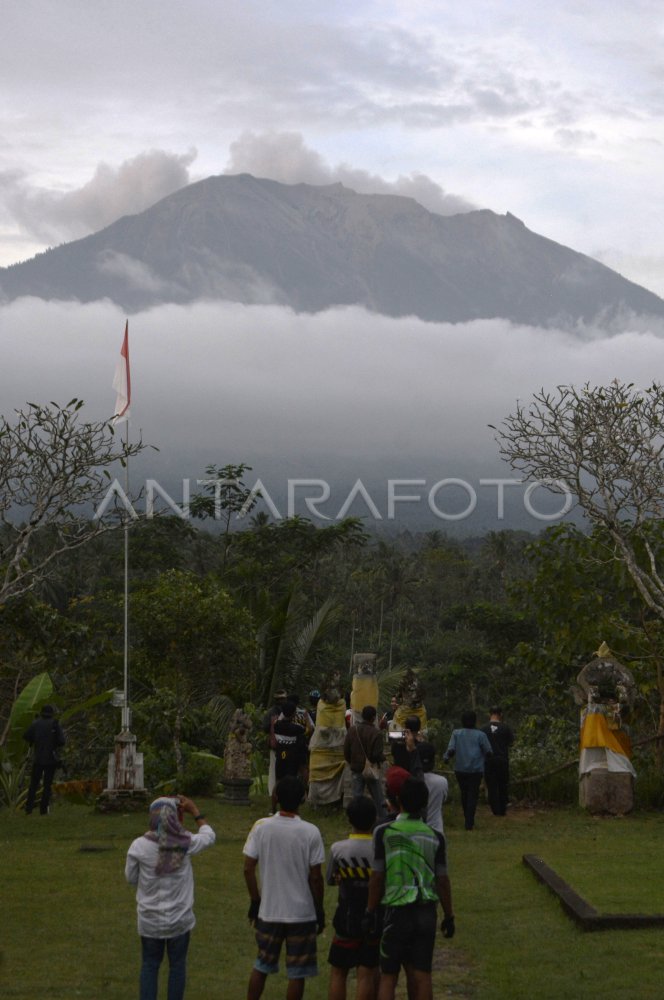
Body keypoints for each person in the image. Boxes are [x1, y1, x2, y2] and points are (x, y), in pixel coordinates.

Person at [366, 776, 455, 1000]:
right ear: (425, 804)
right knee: (422, 974)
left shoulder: (385, 832)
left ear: (398, 800)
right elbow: (443, 880)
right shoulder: (436, 837)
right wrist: (449, 915)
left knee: (389, 975)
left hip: (395, 912)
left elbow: (377, 876)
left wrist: (370, 910)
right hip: (425, 911)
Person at [125, 795, 215, 1000]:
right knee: (177, 966)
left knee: (149, 965)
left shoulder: (138, 846)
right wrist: (195, 810)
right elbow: (209, 835)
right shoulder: (186, 843)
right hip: (179, 919)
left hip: (149, 919)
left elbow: (131, 879)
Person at [243, 775, 325, 1000]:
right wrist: (319, 908)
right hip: (301, 914)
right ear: (303, 799)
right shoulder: (310, 832)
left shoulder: (262, 827)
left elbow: (248, 868)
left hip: (269, 911)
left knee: (262, 964)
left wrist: (255, 900)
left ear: (276, 797)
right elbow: (316, 878)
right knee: (297, 973)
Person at [327, 796, 380, 1000]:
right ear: (374, 818)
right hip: (372, 916)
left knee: (339, 971)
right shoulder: (379, 849)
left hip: (346, 916)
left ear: (349, 819)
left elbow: (331, 879)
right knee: (366, 972)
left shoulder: (338, 849)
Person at [443, 711, 492, 831]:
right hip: (476, 770)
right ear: (475, 721)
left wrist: (446, 758)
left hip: (460, 770)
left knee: (464, 794)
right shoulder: (480, 735)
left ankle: (467, 818)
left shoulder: (457, 733)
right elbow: (489, 751)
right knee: (472, 795)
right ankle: (469, 822)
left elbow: (451, 749)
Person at [344, 706, 386, 821]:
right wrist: (383, 758)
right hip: (370, 769)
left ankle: (356, 819)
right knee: (378, 797)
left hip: (356, 768)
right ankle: (383, 818)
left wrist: (351, 761)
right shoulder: (376, 733)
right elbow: (376, 755)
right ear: (373, 718)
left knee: (357, 796)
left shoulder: (352, 730)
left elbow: (346, 750)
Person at [23, 704, 65, 815]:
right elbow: (62, 741)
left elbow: (26, 736)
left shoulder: (36, 723)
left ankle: (29, 808)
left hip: (38, 758)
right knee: (47, 785)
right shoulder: (54, 724)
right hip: (51, 758)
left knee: (33, 784)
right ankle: (43, 809)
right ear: (51, 713)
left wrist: (36, 740)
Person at [271, 700, 309, 813]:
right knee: (292, 783)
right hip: (292, 758)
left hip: (281, 757)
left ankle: (273, 808)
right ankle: (295, 806)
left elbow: (275, 724)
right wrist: (306, 718)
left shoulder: (277, 725)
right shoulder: (297, 728)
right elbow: (308, 730)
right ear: (293, 714)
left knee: (278, 783)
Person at [481, 707, 514, 816]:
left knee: (491, 785)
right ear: (501, 714)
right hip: (502, 759)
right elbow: (511, 743)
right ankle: (502, 809)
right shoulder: (506, 728)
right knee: (502, 784)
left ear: (489, 714)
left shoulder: (483, 729)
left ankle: (495, 809)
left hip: (488, 760)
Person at [418, 742, 448, 835]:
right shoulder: (442, 781)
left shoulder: (410, 781)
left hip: (416, 832)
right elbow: (444, 799)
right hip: (436, 831)